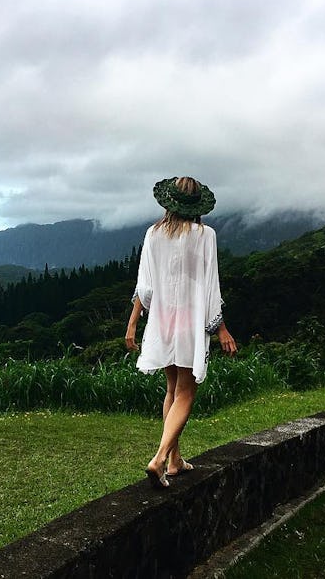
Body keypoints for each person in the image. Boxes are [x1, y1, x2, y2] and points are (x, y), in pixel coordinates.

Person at [126, 176, 237, 489]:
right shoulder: (205, 234)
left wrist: (134, 321)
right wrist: (221, 328)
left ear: (169, 202)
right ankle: (160, 458)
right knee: (187, 390)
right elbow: (210, 285)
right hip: (190, 319)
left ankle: (175, 461)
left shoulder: (153, 233)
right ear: (197, 206)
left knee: (172, 388)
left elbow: (145, 287)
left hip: (163, 319)